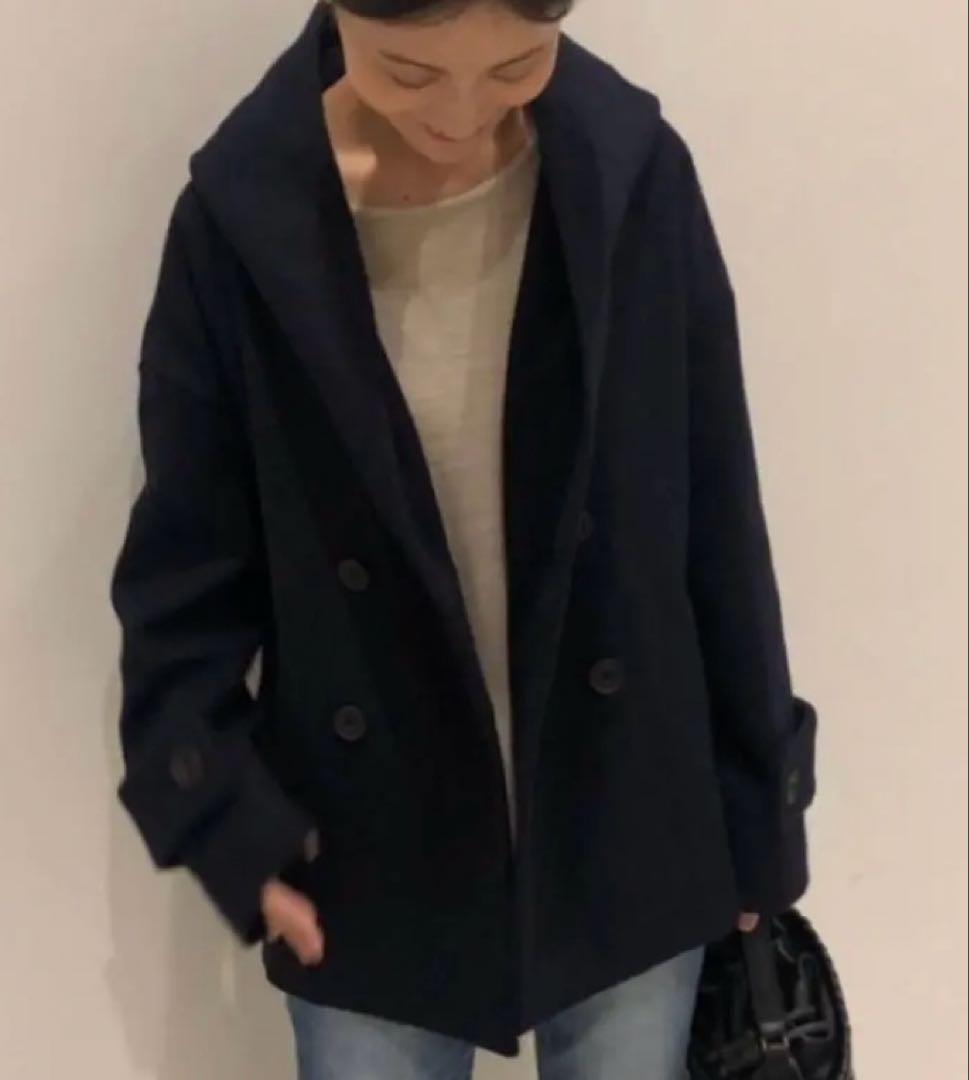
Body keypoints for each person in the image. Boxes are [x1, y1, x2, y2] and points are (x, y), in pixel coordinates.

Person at [109, 0, 818, 1076]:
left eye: (518, 65)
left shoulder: (633, 174)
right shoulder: (241, 221)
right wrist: (217, 815)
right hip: (370, 849)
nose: (461, 113)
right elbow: (184, 569)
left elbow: (717, 509)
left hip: (629, 819)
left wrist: (760, 817)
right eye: (407, 71)